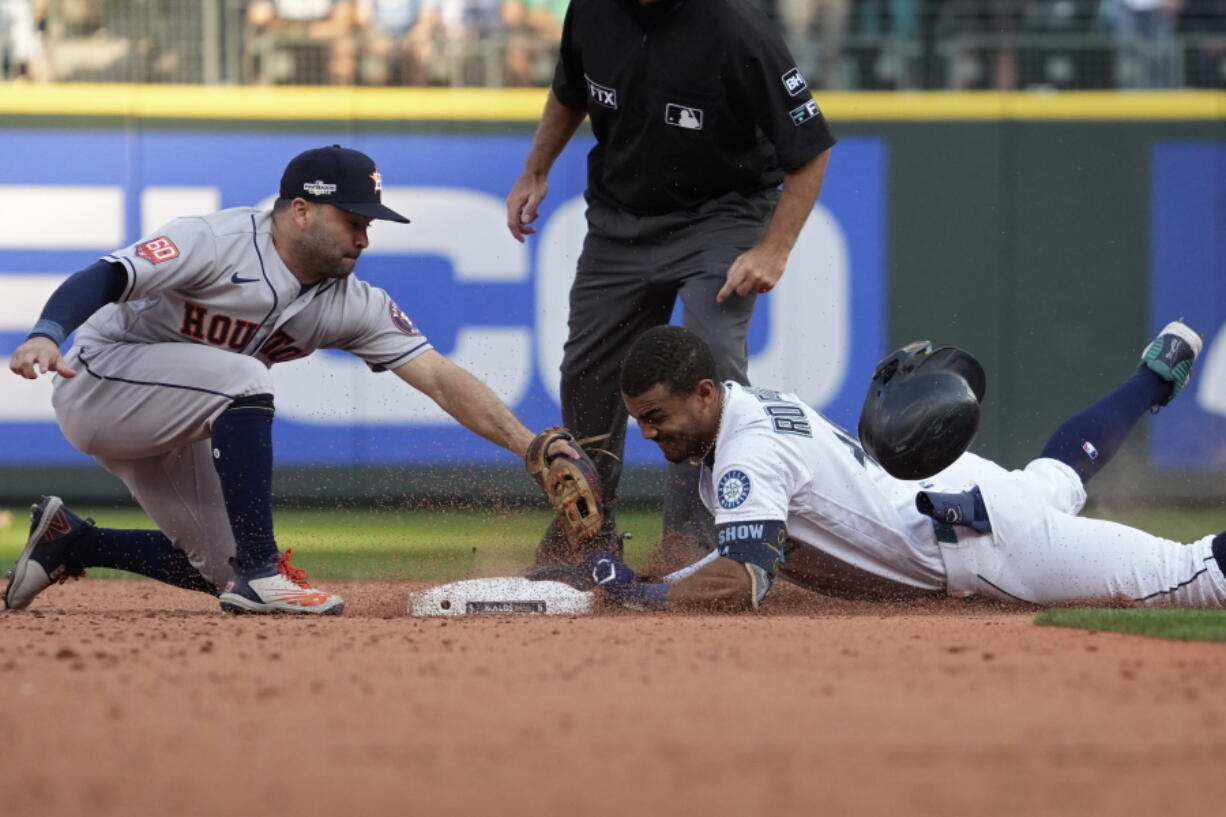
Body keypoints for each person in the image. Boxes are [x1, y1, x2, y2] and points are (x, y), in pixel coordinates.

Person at [5, 145, 564, 616]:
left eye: (367, 224)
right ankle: (261, 575)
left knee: (216, 567)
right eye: (353, 221)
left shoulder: (353, 304)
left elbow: (440, 378)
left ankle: (72, 541)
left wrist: (530, 446)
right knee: (245, 378)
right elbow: (108, 274)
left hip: (180, 411)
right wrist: (48, 333)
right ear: (302, 211)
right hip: (101, 382)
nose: (363, 238)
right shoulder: (215, 239)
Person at [570, 320, 1226, 612]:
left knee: (1189, 575)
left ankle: (1152, 380)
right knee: (1051, 477)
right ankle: (1153, 377)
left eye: (656, 415)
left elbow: (744, 580)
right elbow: (749, 549)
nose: (648, 431)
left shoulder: (748, 452)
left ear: (705, 392)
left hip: (985, 543)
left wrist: (644, 593)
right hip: (954, 493)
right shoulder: (746, 413)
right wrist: (646, 581)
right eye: (639, 419)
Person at [505, 0, 837, 569]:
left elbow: (810, 149)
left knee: (709, 361)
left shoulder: (738, 28)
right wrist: (536, 167)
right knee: (585, 369)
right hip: (620, 218)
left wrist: (774, 247)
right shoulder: (590, 10)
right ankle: (587, 530)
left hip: (721, 214)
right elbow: (570, 91)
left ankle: (699, 530)